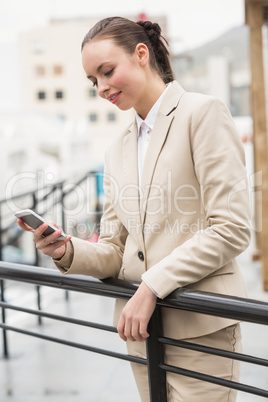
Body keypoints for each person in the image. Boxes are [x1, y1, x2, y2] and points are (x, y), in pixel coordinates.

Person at [17, 16, 251, 402]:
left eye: (107, 71)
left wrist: (152, 284)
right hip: (139, 334)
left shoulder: (202, 113)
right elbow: (115, 249)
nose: (102, 88)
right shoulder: (117, 147)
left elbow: (231, 227)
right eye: (94, 80)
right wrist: (67, 249)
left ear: (141, 54)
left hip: (200, 330)